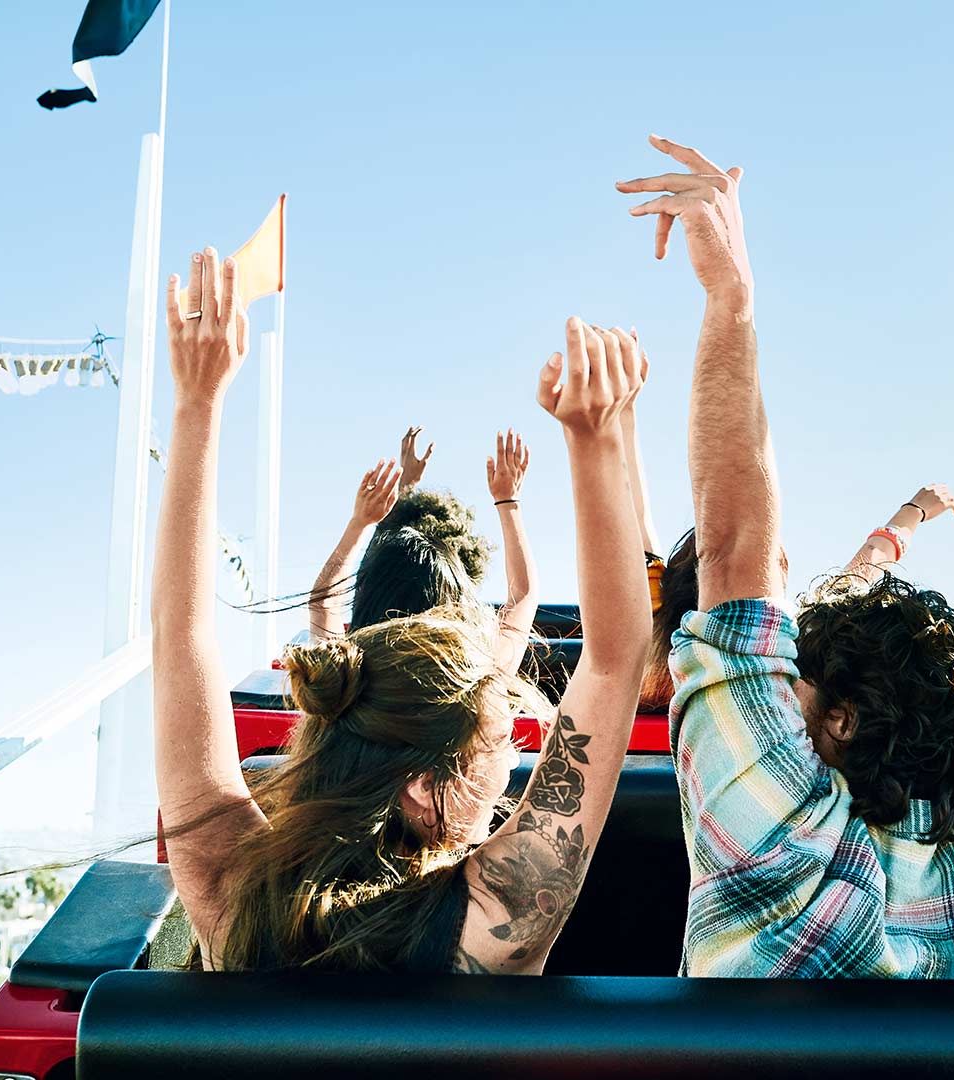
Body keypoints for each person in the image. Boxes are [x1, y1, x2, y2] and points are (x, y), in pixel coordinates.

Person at [619, 137, 954, 979]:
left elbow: (737, 557)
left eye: (798, 670)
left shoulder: (774, 856)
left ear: (839, 722)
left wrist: (731, 296)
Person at [150, 246, 651, 973]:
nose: (512, 763)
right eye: (497, 746)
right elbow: (615, 661)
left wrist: (198, 401)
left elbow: (177, 638)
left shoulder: (229, 891)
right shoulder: (490, 925)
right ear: (425, 787)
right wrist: (597, 437)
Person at [638, 484, 954, 712]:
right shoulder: (793, 649)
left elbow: (640, 543)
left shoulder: (639, 657)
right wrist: (914, 510)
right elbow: (868, 566)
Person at [307, 430, 540, 677]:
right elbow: (523, 595)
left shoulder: (343, 681)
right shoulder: (479, 680)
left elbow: (324, 604)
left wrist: (360, 523)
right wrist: (508, 501)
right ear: (456, 609)